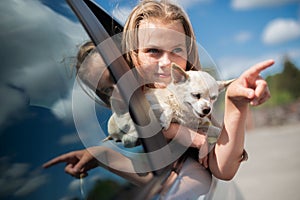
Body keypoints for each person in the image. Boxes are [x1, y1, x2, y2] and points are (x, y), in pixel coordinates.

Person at [44, 0, 274, 198]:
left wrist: (236, 103)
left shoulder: (189, 103)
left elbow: (222, 168)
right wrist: (102, 155)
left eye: (177, 50)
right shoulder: (130, 114)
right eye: (153, 51)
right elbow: (143, 135)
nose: (166, 63)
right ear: (132, 56)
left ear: (188, 53)